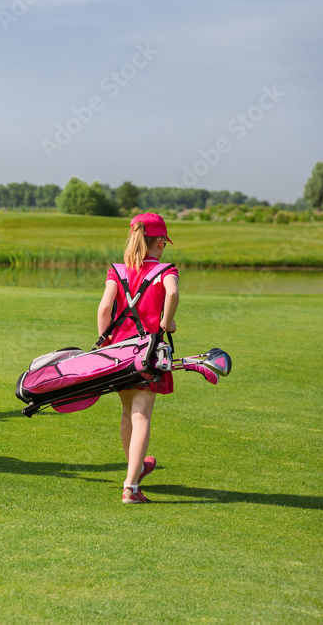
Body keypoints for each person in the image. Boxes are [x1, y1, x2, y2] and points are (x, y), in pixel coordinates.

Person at [96, 213, 179, 503]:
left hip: (119, 351)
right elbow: (172, 294)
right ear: (159, 242)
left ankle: (137, 468)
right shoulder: (166, 270)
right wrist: (167, 323)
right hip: (148, 351)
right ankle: (131, 486)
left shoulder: (117, 271)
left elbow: (104, 308)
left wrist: (104, 341)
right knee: (141, 413)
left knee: (127, 411)